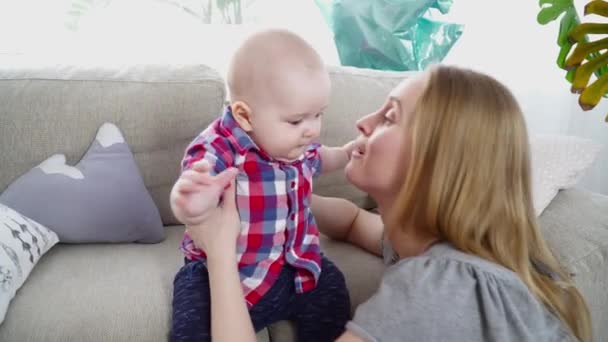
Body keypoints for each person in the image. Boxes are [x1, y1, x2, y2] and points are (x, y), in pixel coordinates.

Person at [185, 64, 593, 342]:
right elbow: (352, 223)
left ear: (437, 161)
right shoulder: (436, 250)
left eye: (390, 117)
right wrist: (280, 196)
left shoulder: (439, 286)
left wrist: (220, 249)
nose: (363, 121)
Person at [169, 29, 353, 342]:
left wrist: (347, 154)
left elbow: (322, 157)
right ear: (244, 115)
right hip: (222, 275)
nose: (311, 130)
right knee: (191, 320)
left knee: (334, 292)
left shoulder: (298, 145)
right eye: (297, 121)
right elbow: (192, 182)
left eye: (318, 115)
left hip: (296, 266)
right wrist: (189, 203)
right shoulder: (221, 147)